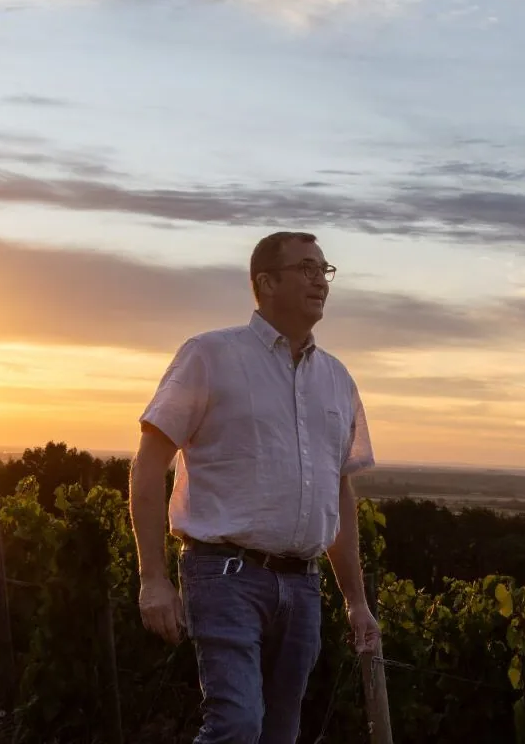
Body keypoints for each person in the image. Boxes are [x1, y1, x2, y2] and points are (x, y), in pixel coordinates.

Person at [129, 230, 380, 744]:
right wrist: (152, 577)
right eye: (307, 268)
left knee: (280, 733)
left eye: (324, 270)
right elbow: (149, 464)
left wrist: (354, 600)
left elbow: (338, 495)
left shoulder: (337, 379)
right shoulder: (208, 355)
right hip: (223, 573)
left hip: (304, 586)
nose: (321, 280)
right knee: (238, 726)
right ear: (265, 283)